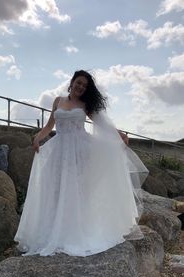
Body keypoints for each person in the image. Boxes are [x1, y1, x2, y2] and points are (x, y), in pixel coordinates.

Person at [14, 70, 148, 257]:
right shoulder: (57, 101)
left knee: (76, 190)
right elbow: (49, 125)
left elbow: (102, 125)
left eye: (84, 86)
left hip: (80, 150)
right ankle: (54, 230)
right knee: (56, 189)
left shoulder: (85, 104)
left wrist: (119, 135)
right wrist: (37, 139)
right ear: (72, 82)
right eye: (79, 83)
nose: (80, 87)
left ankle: (76, 230)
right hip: (59, 150)